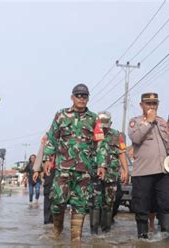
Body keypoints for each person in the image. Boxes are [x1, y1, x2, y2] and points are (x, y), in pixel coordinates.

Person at [41, 83, 108, 242]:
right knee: (57, 201)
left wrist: (102, 164)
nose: (81, 99)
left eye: (84, 96)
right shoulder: (61, 115)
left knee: (80, 205)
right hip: (63, 168)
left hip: (84, 171)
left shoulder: (94, 119)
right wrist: (47, 159)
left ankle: (75, 239)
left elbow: (100, 143)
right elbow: (52, 138)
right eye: (78, 95)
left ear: (88, 99)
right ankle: (57, 228)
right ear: (72, 97)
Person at [128, 92, 169, 240]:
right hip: (142, 172)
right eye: (148, 103)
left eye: (154, 104)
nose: (151, 106)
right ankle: (142, 237)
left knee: (167, 203)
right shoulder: (135, 121)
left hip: (163, 171)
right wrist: (148, 121)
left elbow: (168, 144)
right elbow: (135, 138)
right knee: (142, 206)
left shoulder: (162, 122)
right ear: (141, 105)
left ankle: (166, 236)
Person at [89, 111, 129, 234]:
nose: (104, 129)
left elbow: (122, 153)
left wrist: (125, 170)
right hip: (95, 174)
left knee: (109, 203)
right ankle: (94, 232)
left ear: (110, 123)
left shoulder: (117, 135)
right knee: (94, 202)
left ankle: (106, 231)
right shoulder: (91, 134)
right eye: (102, 126)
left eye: (106, 126)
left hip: (111, 175)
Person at [33, 134, 56, 224]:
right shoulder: (47, 136)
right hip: (50, 170)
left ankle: (57, 223)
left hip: (65, 170)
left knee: (60, 197)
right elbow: (41, 152)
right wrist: (36, 170)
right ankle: (48, 222)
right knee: (48, 194)